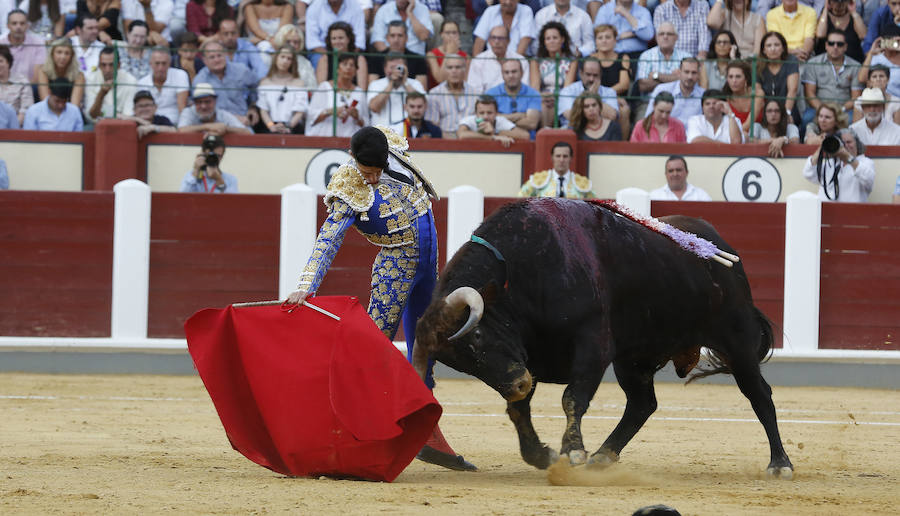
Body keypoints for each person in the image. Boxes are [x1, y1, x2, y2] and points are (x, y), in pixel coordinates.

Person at [284, 125, 476, 472]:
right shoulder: (347, 184)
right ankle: (342, 431)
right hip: (395, 268)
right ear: (354, 160)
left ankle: (426, 431)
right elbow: (328, 239)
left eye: (376, 172)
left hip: (427, 265)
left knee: (426, 345)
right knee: (371, 349)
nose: (371, 180)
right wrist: (306, 284)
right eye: (366, 172)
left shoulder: (393, 147)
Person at [802, 30, 863, 124]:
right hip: (818, 108)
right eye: (831, 43)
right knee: (806, 119)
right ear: (826, 46)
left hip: (845, 110)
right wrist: (823, 111)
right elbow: (810, 94)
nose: (835, 47)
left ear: (845, 47)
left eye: (840, 44)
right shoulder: (813, 63)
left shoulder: (856, 66)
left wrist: (840, 110)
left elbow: (856, 97)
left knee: (853, 121)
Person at [193, 39, 258, 126]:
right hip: (214, 124)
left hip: (243, 122)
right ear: (204, 60)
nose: (217, 60)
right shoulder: (200, 80)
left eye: (219, 55)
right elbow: (201, 109)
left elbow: (256, 87)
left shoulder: (241, 70)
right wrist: (232, 119)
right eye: (212, 57)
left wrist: (253, 108)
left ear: (225, 54)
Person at [802, 127, 874, 201]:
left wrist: (848, 158)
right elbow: (808, 173)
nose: (845, 146)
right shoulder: (830, 163)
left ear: (857, 143)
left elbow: (868, 178)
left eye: (849, 142)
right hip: (827, 211)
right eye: (842, 143)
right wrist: (823, 145)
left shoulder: (865, 162)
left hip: (852, 211)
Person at [635, 21, 691, 116]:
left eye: (669, 34)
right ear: (656, 37)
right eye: (661, 34)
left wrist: (657, 76)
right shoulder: (646, 56)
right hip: (650, 103)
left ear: (676, 38)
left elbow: (689, 82)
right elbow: (643, 86)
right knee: (642, 127)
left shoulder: (686, 56)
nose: (665, 37)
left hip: (681, 103)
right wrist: (676, 78)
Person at [305, 52, 368, 136]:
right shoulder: (324, 87)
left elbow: (366, 124)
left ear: (356, 71)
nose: (348, 67)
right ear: (337, 68)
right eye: (345, 64)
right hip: (325, 138)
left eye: (352, 65)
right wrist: (331, 111)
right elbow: (311, 117)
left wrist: (357, 116)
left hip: (350, 140)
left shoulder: (359, 92)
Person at [256, 45, 308, 134]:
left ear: (293, 62)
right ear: (276, 58)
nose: (285, 61)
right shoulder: (265, 82)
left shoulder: (299, 83)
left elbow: (300, 110)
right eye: (282, 57)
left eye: (289, 59)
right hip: (269, 127)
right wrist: (271, 126)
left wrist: (288, 126)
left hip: (292, 128)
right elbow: (263, 110)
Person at [367, 53, 426, 127]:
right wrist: (391, 83)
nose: (396, 71)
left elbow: (423, 104)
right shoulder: (376, 84)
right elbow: (374, 107)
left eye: (398, 67)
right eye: (392, 67)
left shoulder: (415, 84)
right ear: (385, 69)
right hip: (382, 132)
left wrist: (405, 82)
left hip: (407, 132)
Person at [518, 141, 594, 198]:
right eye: (558, 156)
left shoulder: (582, 183)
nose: (561, 160)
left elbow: (596, 206)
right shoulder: (538, 180)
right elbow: (520, 198)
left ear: (571, 158)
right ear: (552, 158)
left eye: (565, 156)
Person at [557, 57, 619, 127]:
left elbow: (612, 116)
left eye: (595, 75)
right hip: (574, 130)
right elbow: (570, 116)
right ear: (581, 73)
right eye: (588, 74)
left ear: (600, 75)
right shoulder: (568, 91)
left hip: (601, 133)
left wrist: (594, 96)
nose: (591, 79)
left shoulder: (609, 92)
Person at [468, 24, 529, 94]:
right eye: (493, 38)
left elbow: (524, 90)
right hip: (487, 102)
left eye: (501, 38)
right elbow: (474, 92)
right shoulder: (478, 61)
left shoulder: (521, 60)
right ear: (489, 41)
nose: (496, 42)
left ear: (508, 41)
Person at [425, 55, 476, 138]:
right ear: (444, 71)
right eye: (450, 67)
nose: (454, 71)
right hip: (443, 140)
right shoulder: (434, 93)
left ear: (465, 70)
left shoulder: (475, 93)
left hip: (470, 138)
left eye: (458, 67)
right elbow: (432, 123)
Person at [487, 58, 541, 135]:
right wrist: (519, 116)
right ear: (502, 75)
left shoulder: (533, 94)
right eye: (507, 72)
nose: (511, 75)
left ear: (522, 73)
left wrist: (500, 120)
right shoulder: (491, 94)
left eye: (514, 71)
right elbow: (488, 120)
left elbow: (532, 124)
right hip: (499, 141)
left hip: (527, 142)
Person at [137, 46, 190, 125]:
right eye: (157, 63)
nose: (160, 68)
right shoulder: (142, 83)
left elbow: (182, 108)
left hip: (175, 124)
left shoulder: (180, 75)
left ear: (169, 63)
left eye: (164, 63)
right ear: (150, 64)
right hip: (150, 125)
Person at [367, 20, 427, 88]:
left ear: (406, 38)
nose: (396, 40)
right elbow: (372, 90)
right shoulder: (375, 59)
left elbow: (421, 93)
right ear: (387, 38)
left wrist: (405, 81)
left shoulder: (418, 60)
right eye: (392, 36)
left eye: (400, 36)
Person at [304, 0, 365, 67]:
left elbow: (359, 41)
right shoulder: (314, 7)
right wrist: (331, 57)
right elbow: (313, 42)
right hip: (322, 52)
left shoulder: (355, 7)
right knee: (320, 59)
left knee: (360, 60)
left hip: (349, 51)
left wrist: (347, 57)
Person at [84, 45, 136, 121]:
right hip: (97, 125)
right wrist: (101, 93)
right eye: (103, 65)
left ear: (119, 65)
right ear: (99, 65)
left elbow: (128, 115)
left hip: (122, 126)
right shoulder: (91, 79)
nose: (107, 70)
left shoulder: (130, 81)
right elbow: (92, 115)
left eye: (111, 65)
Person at [758, 31, 800, 125]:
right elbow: (758, 93)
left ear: (783, 48)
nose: (773, 49)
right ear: (764, 50)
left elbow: (792, 90)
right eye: (768, 46)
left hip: (787, 108)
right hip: (765, 110)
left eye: (777, 45)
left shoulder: (791, 60)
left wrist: (786, 114)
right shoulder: (758, 64)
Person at [177, 82, 252, 134]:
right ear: (194, 103)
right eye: (199, 102)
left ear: (215, 101)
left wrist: (225, 129)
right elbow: (181, 130)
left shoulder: (222, 114)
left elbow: (247, 132)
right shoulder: (188, 112)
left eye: (207, 102)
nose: (203, 106)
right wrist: (208, 127)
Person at [457, 94, 529, 147]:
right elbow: (461, 135)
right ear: (476, 114)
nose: (485, 117)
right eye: (481, 113)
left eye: (489, 113)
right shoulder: (469, 120)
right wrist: (493, 137)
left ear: (496, 113)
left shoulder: (500, 120)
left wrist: (495, 132)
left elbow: (525, 135)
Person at [647, 57, 704, 121]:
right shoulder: (661, 89)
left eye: (694, 73)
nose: (690, 77)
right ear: (679, 72)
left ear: (699, 74)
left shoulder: (703, 95)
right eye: (686, 72)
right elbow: (648, 119)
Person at [315, 21, 368, 90]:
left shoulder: (359, 59)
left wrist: (352, 101)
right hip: (331, 98)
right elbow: (322, 88)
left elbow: (361, 91)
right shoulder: (325, 59)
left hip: (353, 99)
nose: (337, 42)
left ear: (348, 39)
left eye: (341, 38)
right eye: (334, 38)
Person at [35, 38, 84, 108]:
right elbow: (45, 100)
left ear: (72, 56)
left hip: (69, 112)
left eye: (67, 53)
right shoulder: (43, 71)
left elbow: (74, 106)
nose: (63, 57)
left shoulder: (79, 76)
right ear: (52, 54)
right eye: (59, 52)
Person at [529, 21, 577, 91]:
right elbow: (535, 90)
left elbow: (567, 90)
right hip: (542, 99)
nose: (551, 41)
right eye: (548, 38)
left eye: (555, 38)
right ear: (544, 42)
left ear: (562, 39)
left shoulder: (572, 62)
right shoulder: (536, 62)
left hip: (563, 99)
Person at [0, 9, 46, 82]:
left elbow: (38, 75)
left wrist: (25, 91)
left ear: (27, 26)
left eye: (22, 23)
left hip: (30, 89)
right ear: (8, 26)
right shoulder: (1, 43)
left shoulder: (38, 43)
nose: (18, 27)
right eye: (14, 23)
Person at [216, 18, 267, 82]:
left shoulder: (247, 46)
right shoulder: (215, 49)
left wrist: (260, 82)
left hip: (245, 87)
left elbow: (260, 68)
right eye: (226, 34)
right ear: (219, 35)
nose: (230, 37)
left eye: (233, 33)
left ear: (238, 33)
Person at [722, 59, 764, 134]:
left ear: (746, 79)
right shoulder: (724, 97)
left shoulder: (757, 94)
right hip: (732, 139)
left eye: (738, 77)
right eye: (730, 77)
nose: (734, 80)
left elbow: (748, 125)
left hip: (755, 137)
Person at [425, 20, 468, 86]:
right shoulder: (432, 55)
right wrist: (448, 54)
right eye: (447, 33)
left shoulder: (466, 57)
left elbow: (465, 82)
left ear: (459, 35)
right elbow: (440, 79)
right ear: (441, 34)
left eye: (454, 33)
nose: (451, 36)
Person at [0, 43, 32, 126]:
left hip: (15, 128)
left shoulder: (22, 82)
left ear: (8, 62)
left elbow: (25, 110)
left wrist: (12, 129)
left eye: (0, 61)